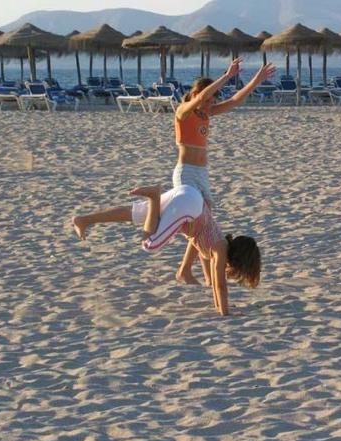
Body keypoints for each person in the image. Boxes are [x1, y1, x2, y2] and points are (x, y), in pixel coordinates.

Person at [71, 184, 261, 316]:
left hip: (190, 196)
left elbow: (214, 287)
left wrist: (221, 307)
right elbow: (220, 286)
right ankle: (154, 195)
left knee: (138, 214)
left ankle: (83, 220)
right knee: (150, 244)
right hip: (188, 207)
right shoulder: (220, 251)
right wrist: (226, 314)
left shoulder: (220, 240)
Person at [171, 57, 275, 285]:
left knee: (204, 221)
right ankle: (190, 272)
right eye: (207, 99)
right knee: (199, 220)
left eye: (212, 101)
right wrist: (227, 76)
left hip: (201, 174)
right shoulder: (183, 112)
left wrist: (257, 79)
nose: (209, 104)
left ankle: (190, 271)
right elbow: (199, 98)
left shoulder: (205, 114)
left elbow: (236, 99)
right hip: (186, 172)